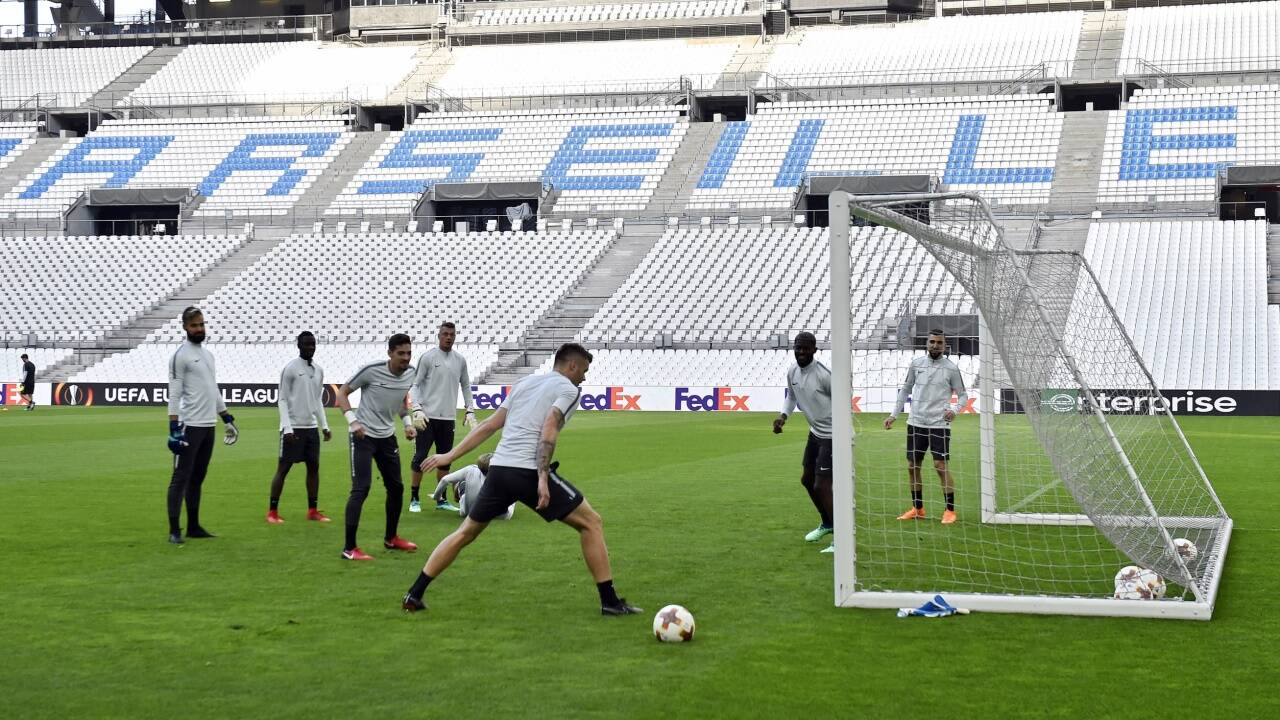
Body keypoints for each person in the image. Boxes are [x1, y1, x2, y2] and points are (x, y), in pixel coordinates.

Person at [401, 343, 640, 617]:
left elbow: (490, 424)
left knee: (465, 533)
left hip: (500, 469)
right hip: (527, 470)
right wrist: (542, 477)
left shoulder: (525, 383)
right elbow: (549, 426)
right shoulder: (569, 390)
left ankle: (414, 593)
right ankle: (609, 601)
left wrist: (449, 455)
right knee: (591, 523)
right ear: (571, 366)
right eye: (584, 370)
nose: (584, 377)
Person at [334, 333, 419, 561]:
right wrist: (353, 422)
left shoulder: (411, 373)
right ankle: (349, 548)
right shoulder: (371, 370)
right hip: (363, 437)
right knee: (361, 489)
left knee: (397, 488)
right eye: (401, 353)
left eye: (409, 353)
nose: (406, 358)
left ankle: (391, 538)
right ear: (389, 353)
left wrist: (408, 423)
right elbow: (341, 394)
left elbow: (402, 401)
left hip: (387, 437)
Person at [166, 307, 239, 545]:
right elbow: (174, 393)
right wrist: (174, 427)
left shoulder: (208, 355)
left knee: (198, 477)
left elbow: (213, 388)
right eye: (194, 325)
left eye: (202, 324)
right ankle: (175, 530)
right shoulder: (180, 356)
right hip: (190, 425)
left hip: (208, 425)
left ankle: (194, 526)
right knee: (180, 478)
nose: (199, 329)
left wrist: (225, 416)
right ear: (185, 327)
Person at [885, 329, 969, 525]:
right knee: (912, 466)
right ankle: (917, 508)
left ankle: (950, 510)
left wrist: (955, 410)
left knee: (940, 466)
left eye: (939, 343)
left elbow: (963, 395)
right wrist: (893, 415)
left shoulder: (951, 368)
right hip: (916, 422)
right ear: (927, 343)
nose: (935, 345)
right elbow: (906, 388)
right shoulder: (916, 364)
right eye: (932, 342)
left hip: (939, 424)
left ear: (944, 345)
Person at [772, 331, 835, 553]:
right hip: (815, 433)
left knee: (822, 484)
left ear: (814, 350)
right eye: (798, 348)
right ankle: (827, 523)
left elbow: (843, 398)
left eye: (806, 348)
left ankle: (841, 537)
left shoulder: (824, 375)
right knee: (807, 480)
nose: (801, 352)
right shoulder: (792, 371)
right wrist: (783, 417)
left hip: (832, 435)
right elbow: (791, 396)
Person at [408, 321, 477, 513]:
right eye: (445, 334)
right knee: (420, 457)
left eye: (451, 334)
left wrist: (470, 409)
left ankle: (442, 500)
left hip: (448, 418)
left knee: (445, 460)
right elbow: (415, 384)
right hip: (427, 417)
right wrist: (416, 408)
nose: (448, 337)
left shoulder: (460, 360)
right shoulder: (428, 358)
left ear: (455, 336)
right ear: (439, 336)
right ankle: (414, 498)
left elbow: (465, 386)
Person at [267, 331, 332, 524]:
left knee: (314, 468)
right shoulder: (290, 369)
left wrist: (324, 426)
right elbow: (282, 399)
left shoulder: (318, 370)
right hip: (293, 428)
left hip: (311, 428)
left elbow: (317, 400)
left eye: (313, 344)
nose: (310, 347)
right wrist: (287, 428)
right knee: (283, 468)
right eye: (306, 344)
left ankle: (312, 510)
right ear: (299, 345)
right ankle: (272, 511)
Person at [431, 453, 515, 520]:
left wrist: (437, 497)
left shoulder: (470, 470)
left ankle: (458, 498)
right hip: (502, 516)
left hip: (470, 514)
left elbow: (445, 480)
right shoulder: (506, 473)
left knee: (461, 481)